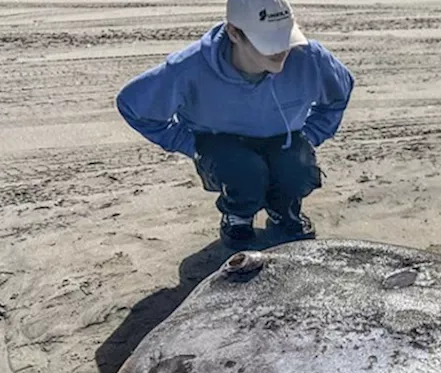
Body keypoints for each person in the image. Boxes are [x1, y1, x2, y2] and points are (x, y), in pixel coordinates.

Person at [115, 0, 354, 250]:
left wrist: (311, 134)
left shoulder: (310, 58)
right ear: (234, 33)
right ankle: (238, 216)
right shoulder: (189, 67)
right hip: (221, 144)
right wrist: (189, 145)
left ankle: (284, 211)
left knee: (297, 167)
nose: (282, 49)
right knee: (245, 172)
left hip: (284, 138)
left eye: (285, 36)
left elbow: (341, 90)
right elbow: (133, 105)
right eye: (268, 41)